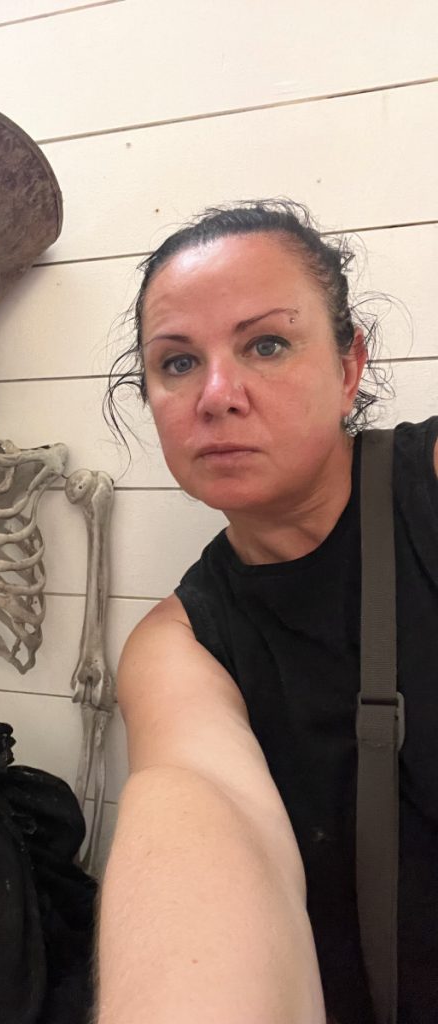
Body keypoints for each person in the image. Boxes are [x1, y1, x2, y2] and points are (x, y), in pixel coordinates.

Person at [96, 201, 438, 1024]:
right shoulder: (180, 646)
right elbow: (197, 805)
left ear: (350, 366)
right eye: (178, 362)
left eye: (268, 345)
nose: (217, 396)